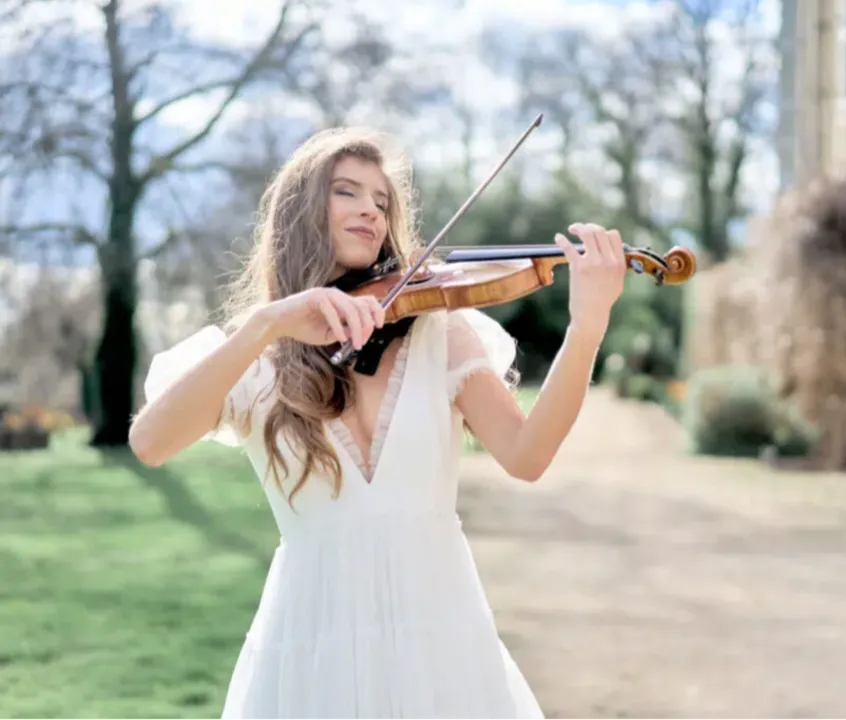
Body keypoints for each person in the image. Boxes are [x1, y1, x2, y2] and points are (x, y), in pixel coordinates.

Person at [129, 126, 627, 719]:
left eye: (382, 200)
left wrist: (587, 327)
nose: (370, 208)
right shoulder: (254, 355)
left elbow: (527, 455)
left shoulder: (440, 331)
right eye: (347, 191)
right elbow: (150, 442)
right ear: (299, 213)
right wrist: (267, 325)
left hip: (440, 634)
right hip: (311, 643)